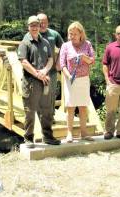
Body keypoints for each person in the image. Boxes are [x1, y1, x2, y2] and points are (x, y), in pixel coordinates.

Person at [18, 16, 61, 148]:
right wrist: (37, 73)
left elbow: (50, 59)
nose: (35, 27)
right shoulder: (25, 43)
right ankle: (29, 138)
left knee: (47, 110)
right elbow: (24, 62)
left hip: (44, 81)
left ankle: (48, 137)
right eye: (32, 25)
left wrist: (45, 70)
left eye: (36, 25)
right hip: (31, 83)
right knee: (30, 111)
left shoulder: (46, 43)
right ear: (28, 27)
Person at [59, 21, 95, 142]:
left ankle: (83, 133)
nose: (72, 36)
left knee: (83, 107)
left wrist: (84, 57)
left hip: (84, 79)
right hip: (70, 79)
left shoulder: (88, 44)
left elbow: (92, 61)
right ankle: (69, 133)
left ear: (81, 33)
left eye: (74, 34)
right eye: (70, 34)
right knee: (70, 107)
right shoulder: (65, 46)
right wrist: (68, 76)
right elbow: (62, 64)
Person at [37, 13, 64, 117]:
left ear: (47, 22)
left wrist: (58, 62)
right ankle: (39, 117)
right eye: (40, 22)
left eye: (45, 22)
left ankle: (50, 117)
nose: (42, 24)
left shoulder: (54, 34)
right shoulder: (34, 34)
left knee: (51, 94)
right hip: (37, 71)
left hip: (51, 71)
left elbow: (64, 47)